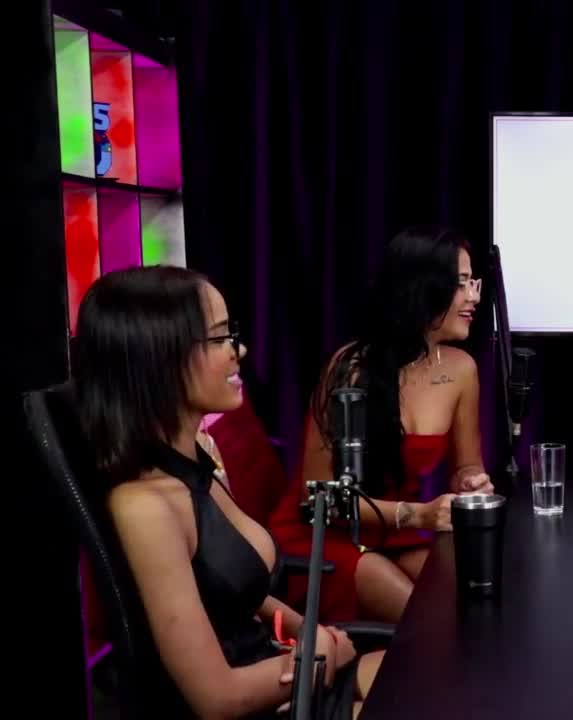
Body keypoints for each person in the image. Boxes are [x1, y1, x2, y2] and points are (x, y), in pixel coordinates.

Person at [74, 265, 383, 719]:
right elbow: (216, 698)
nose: (239, 350)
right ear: (161, 358)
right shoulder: (145, 507)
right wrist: (316, 660)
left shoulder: (198, 459)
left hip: (279, 674)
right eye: (219, 338)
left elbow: (233, 591)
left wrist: (312, 631)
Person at [269, 225, 494, 624]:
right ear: (422, 288)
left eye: (473, 282)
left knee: (471, 594)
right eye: (461, 284)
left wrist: (471, 481)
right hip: (327, 535)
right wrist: (417, 515)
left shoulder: (462, 370)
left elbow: (467, 465)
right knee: (430, 623)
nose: (474, 296)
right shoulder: (350, 369)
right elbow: (316, 499)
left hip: (395, 535)